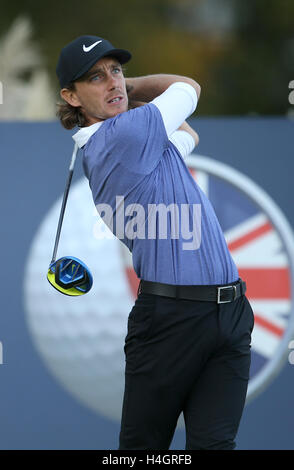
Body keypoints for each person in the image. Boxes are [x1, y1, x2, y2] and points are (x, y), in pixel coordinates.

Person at [56, 35, 254, 450]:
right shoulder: (122, 138)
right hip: (170, 319)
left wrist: (118, 97)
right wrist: (130, 89)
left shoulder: (138, 142)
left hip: (230, 313)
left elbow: (187, 135)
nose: (112, 82)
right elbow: (187, 88)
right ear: (70, 96)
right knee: (142, 451)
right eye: (95, 77)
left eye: (117, 71)